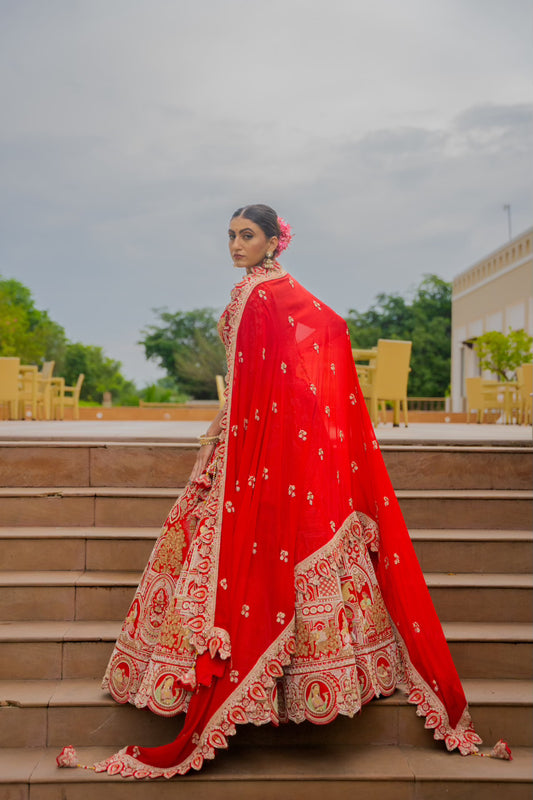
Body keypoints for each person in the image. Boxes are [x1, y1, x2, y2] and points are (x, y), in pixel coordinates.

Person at [60, 204, 482, 779]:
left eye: (247, 236)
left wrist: (241, 429)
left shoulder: (262, 294)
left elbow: (310, 343)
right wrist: (228, 420)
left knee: (238, 559)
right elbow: (293, 350)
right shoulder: (273, 291)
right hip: (260, 440)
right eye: (230, 236)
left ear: (273, 240)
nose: (235, 245)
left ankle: (248, 687)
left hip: (262, 449)